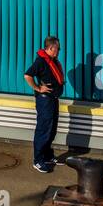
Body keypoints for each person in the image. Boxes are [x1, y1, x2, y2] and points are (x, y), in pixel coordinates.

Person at [24, 36, 65, 173]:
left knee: (52, 129)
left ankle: (47, 155)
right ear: (50, 48)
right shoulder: (41, 61)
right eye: (57, 48)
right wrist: (38, 88)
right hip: (45, 100)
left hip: (53, 99)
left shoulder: (52, 61)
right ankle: (38, 160)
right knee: (43, 129)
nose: (59, 51)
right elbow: (28, 75)